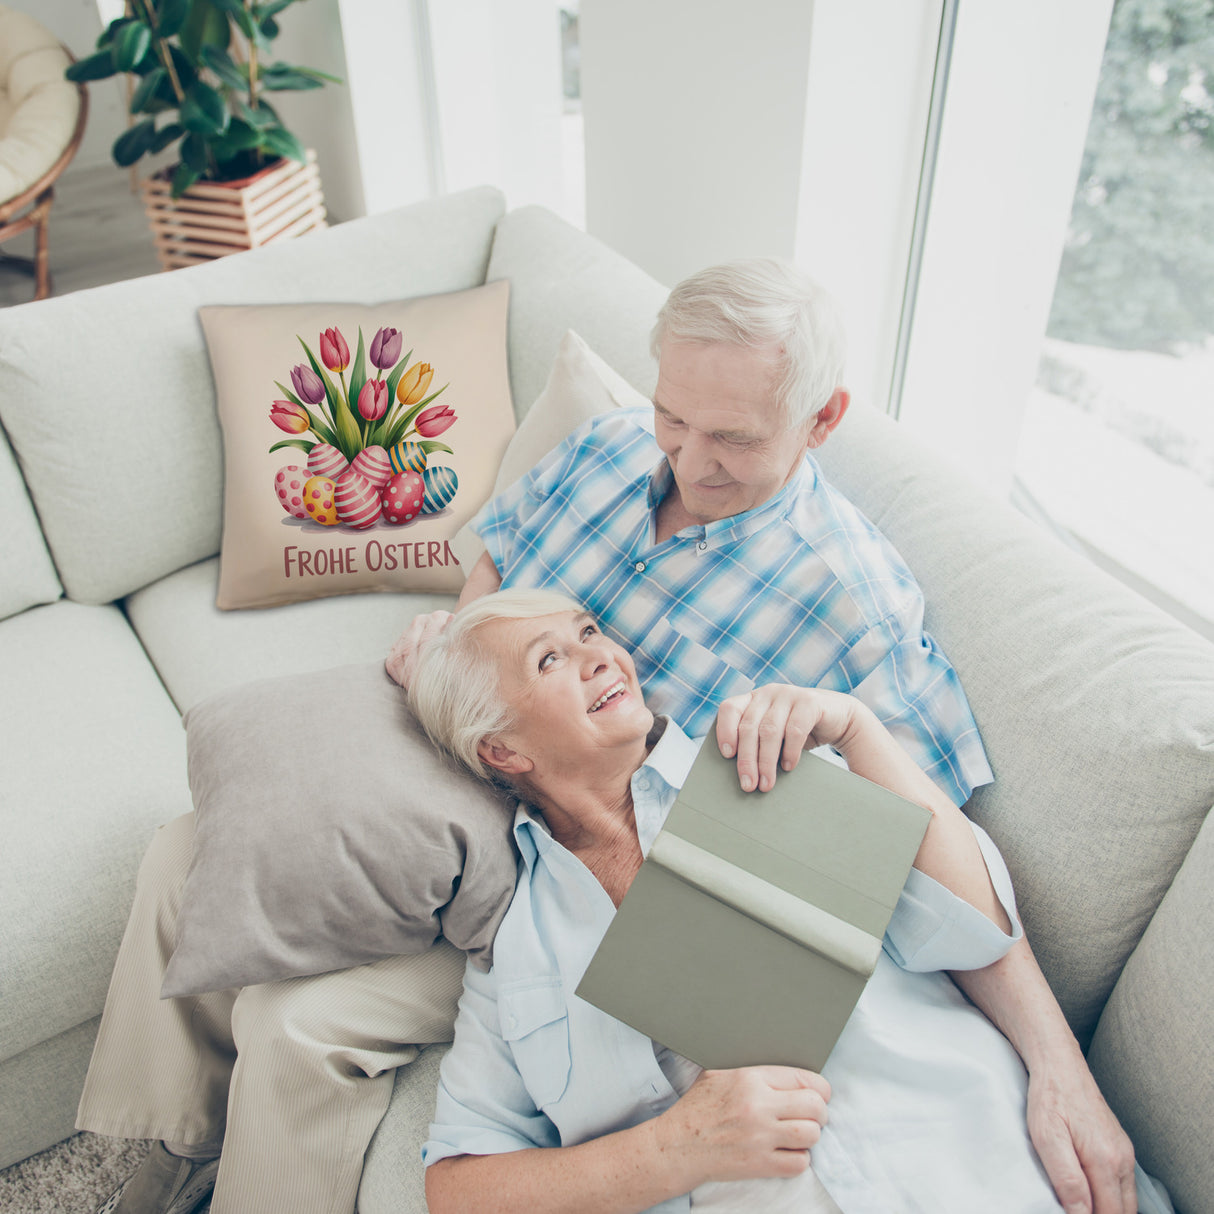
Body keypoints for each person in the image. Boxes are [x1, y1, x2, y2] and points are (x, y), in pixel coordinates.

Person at [80, 260, 1131, 1214]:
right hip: (488, 747)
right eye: (674, 415)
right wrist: (458, 642)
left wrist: (1057, 1063)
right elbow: (498, 561)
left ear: (820, 421)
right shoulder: (607, 448)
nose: (687, 457)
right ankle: (155, 1152)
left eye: (732, 438)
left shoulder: (853, 607)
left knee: (299, 1024)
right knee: (192, 846)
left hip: (579, 852)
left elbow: (927, 854)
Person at [407, 588, 1160, 1214]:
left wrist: (859, 731)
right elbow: (458, 1188)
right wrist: (674, 1149)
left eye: (589, 632)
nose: (601, 655)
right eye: (550, 659)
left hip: (985, 1167)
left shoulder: (762, 761)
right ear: (502, 750)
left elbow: (972, 929)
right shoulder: (516, 952)